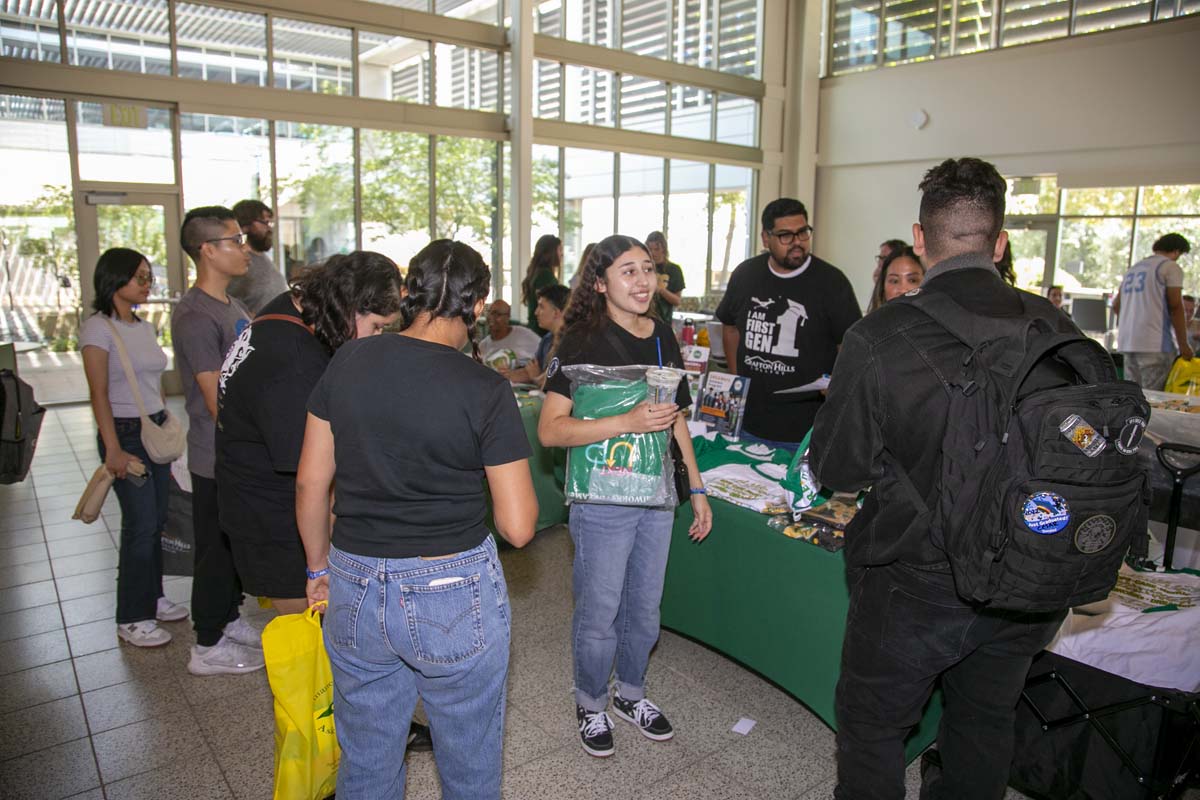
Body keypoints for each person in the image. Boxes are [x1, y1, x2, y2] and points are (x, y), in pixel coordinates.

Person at [809, 157, 1075, 800]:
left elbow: (837, 468)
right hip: (1027, 572)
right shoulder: (1057, 328)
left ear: (921, 240)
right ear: (1000, 242)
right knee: (983, 722)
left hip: (915, 575)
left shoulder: (879, 336)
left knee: (874, 730)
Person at [297, 239, 537, 799]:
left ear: (408, 293)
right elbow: (520, 527)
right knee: (469, 761)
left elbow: (311, 481)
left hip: (354, 580)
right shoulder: (484, 388)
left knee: (368, 758)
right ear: (478, 307)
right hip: (449, 586)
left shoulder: (348, 359)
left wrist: (316, 570)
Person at [538, 234, 713, 758]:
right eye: (627, 272)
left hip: (656, 494)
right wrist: (627, 421)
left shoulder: (663, 335)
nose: (643, 282)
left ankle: (630, 693)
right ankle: (590, 701)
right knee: (600, 610)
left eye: (647, 270)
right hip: (602, 499)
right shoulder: (579, 342)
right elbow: (550, 431)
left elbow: (674, 415)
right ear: (600, 283)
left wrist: (697, 488)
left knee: (644, 608)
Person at [216, 252, 403, 617]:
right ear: (349, 307)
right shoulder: (295, 361)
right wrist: (319, 566)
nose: (377, 336)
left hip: (253, 495)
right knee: (314, 627)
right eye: (377, 325)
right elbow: (310, 482)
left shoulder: (289, 308)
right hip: (274, 519)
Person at [80, 248, 189, 648]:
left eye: (148, 277)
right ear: (115, 279)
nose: (148, 284)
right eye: (140, 277)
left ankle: (153, 596)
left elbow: (152, 382)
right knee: (140, 525)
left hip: (153, 427)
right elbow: (98, 394)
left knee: (158, 519)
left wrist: (167, 424)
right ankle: (131, 615)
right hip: (125, 434)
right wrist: (112, 449)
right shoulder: (98, 329)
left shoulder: (142, 326)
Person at [172, 205, 264, 676]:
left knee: (231, 543)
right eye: (234, 240)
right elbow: (215, 398)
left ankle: (227, 617)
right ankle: (206, 644)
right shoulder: (194, 315)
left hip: (236, 452)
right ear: (208, 250)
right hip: (216, 454)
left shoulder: (233, 306)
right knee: (213, 548)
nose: (245, 249)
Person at [715, 198, 861, 449]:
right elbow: (729, 327)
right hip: (748, 421)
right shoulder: (745, 275)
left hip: (805, 429)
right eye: (785, 235)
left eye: (802, 232)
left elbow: (849, 346)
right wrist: (735, 377)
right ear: (765, 238)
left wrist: (839, 387)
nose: (797, 242)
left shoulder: (831, 282)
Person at [1113, 232, 1194, 391]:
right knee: (1153, 399)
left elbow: (1116, 305)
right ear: (1176, 251)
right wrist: (1184, 344)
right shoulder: (1169, 267)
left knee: (1134, 397)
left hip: (1128, 342)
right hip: (1154, 344)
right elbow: (1176, 306)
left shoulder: (1134, 269)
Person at [504, 283, 570, 387]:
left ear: (556, 313)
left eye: (541, 307)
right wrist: (505, 375)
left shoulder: (572, 344)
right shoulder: (547, 340)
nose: (536, 312)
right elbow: (530, 371)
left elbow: (551, 383)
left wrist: (536, 378)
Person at [229, 200, 287, 315]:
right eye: (265, 222)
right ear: (245, 225)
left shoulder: (262, 257)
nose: (269, 229)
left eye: (270, 223)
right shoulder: (239, 264)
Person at [479, 299, 541, 370]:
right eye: (490, 312)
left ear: (508, 317)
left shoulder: (523, 334)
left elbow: (545, 349)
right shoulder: (483, 346)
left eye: (497, 314)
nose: (491, 317)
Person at [522, 234, 563, 336]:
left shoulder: (536, 273)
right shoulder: (545, 276)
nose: (562, 254)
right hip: (542, 332)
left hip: (534, 329)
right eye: (559, 250)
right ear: (551, 253)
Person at [867, 245, 924, 312]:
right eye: (894, 281)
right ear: (883, 287)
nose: (902, 290)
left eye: (912, 280)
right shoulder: (870, 322)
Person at [645, 231, 685, 326]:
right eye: (650, 249)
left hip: (664, 321)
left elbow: (677, 301)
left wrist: (660, 290)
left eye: (656, 249)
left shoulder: (674, 270)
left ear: (664, 249)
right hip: (642, 320)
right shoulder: (643, 268)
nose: (653, 253)